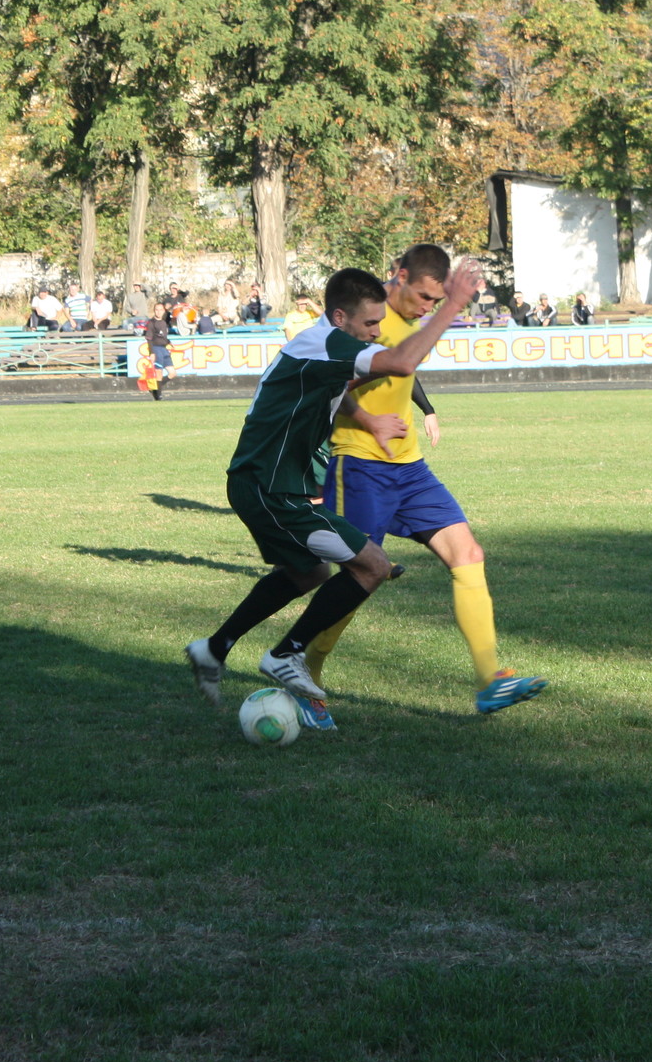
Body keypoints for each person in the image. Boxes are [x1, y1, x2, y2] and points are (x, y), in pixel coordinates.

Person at [183, 259, 482, 731]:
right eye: (370, 323)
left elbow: (338, 387)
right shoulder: (324, 341)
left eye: (380, 323)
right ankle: (286, 653)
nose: (376, 332)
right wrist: (454, 305)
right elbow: (402, 362)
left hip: (273, 484)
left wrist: (369, 420)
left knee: (310, 572)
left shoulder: (322, 346)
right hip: (268, 487)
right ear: (340, 317)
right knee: (373, 566)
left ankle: (214, 648)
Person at [311, 244, 549, 717]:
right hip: (360, 466)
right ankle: (304, 668)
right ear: (398, 275)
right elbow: (327, 385)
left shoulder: (409, 320)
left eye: (436, 302)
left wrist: (426, 409)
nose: (427, 307)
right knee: (361, 579)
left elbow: (406, 369)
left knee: (468, 555)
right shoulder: (365, 320)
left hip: (410, 468)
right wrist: (368, 421)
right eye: (423, 297)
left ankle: (490, 680)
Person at [142, 312, 172, 397]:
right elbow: (149, 338)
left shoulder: (163, 322)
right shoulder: (152, 323)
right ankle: (158, 395)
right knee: (159, 372)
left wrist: (169, 342)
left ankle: (155, 388)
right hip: (156, 348)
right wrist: (151, 352)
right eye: (157, 310)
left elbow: (162, 336)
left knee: (172, 373)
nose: (159, 312)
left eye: (161, 310)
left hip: (164, 349)